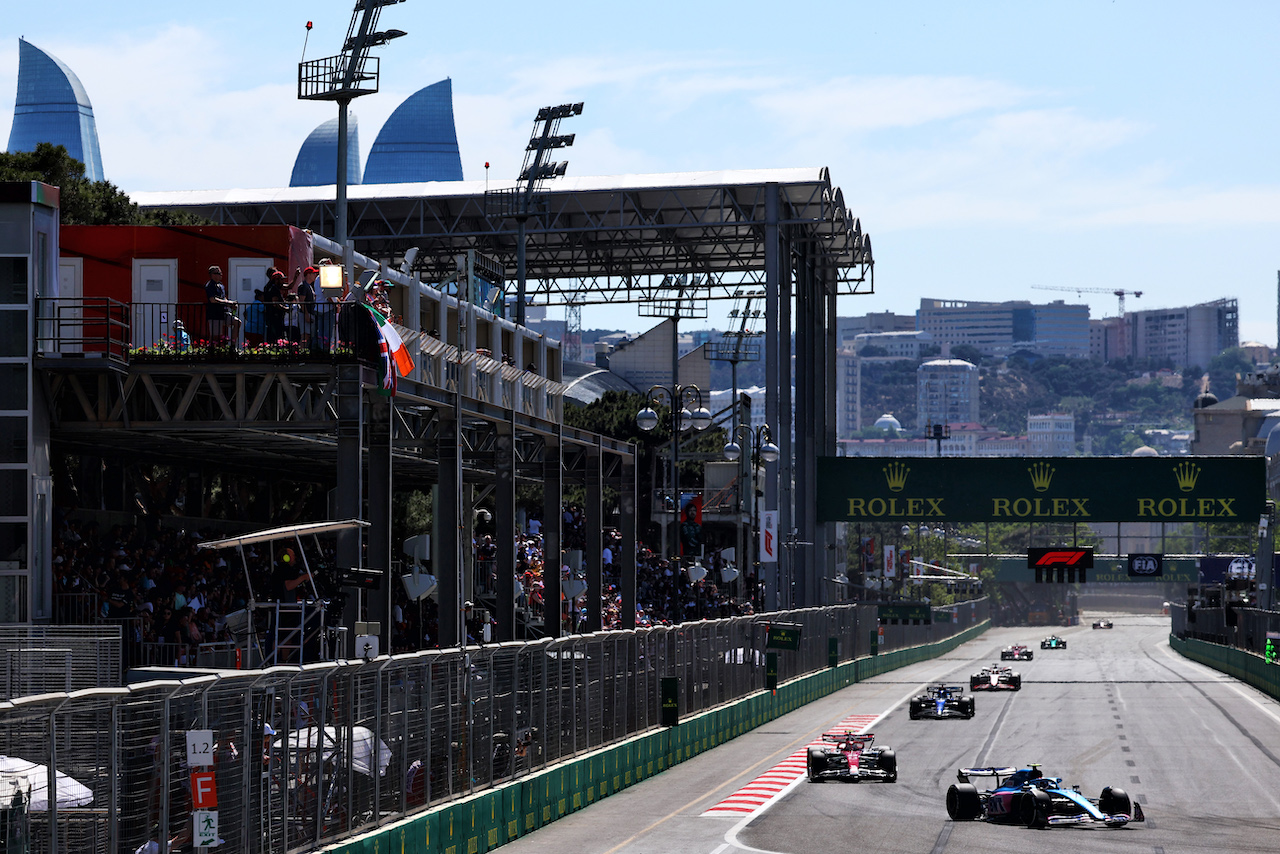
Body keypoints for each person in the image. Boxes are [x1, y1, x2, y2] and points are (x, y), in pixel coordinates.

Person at [204, 265, 241, 345]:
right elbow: (213, 300)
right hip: (214, 314)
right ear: (212, 275)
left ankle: (233, 346)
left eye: (221, 273)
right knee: (215, 337)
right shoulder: (210, 286)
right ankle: (210, 352)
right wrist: (228, 303)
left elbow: (224, 299)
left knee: (237, 322)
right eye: (218, 273)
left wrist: (231, 304)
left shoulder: (221, 286)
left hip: (224, 313)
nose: (221, 275)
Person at [261, 268, 287, 344]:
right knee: (277, 336)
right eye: (281, 279)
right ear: (276, 280)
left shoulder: (269, 287)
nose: (283, 281)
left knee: (273, 335)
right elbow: (275, 303)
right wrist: (286, 309)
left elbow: (288, 286)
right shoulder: (274, 289)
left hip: (271, 315)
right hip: (275, 316)